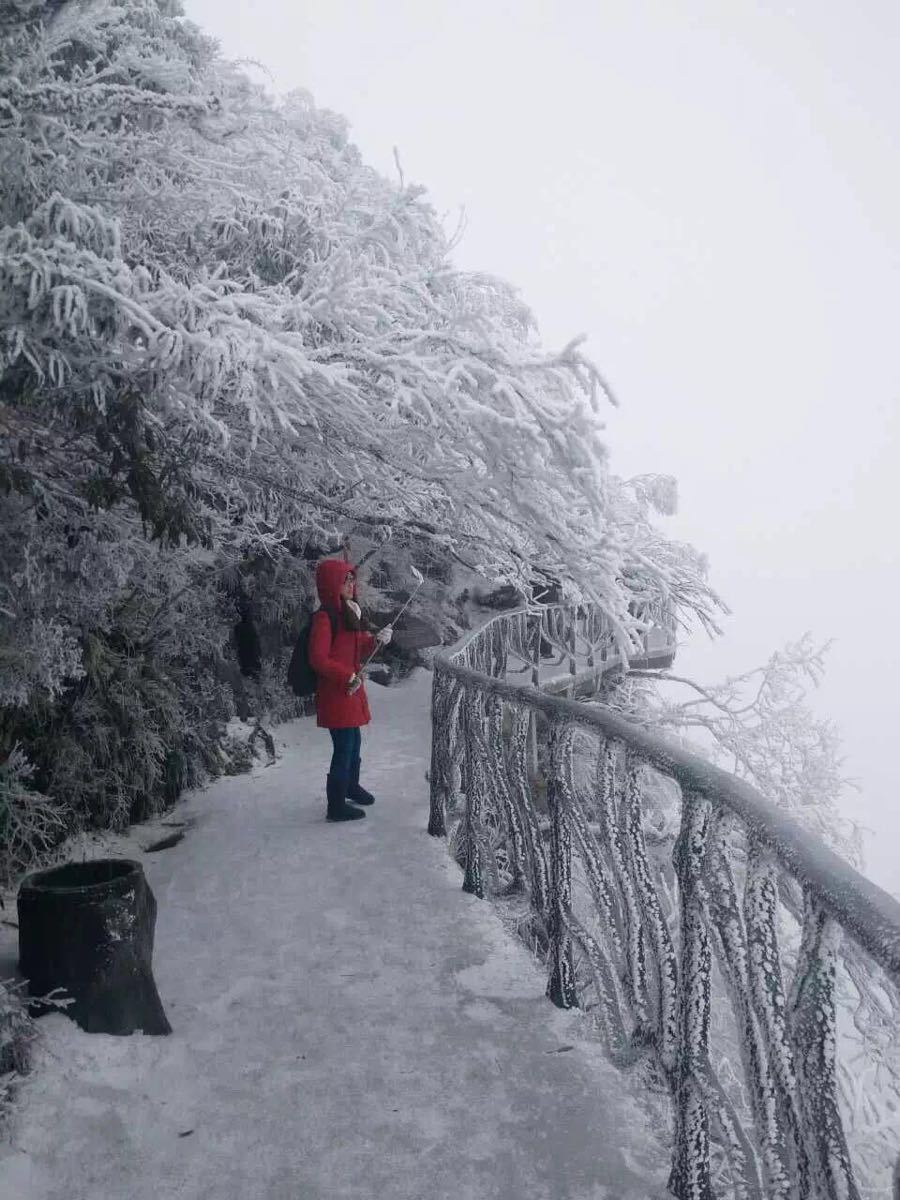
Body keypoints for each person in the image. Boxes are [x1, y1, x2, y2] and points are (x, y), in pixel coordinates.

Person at [308, 558, 392, 822]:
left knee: (353, 742)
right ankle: (335, 806)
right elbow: (318, 658)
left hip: (351, 690)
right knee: (344, 746)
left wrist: (377, 640)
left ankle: (350, 788)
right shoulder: (325, 617)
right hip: (337, 692)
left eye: (351, 579)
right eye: (345, 580)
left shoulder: (349, 612)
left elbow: (358, 647)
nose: (350, 584)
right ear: (332, 584)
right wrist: (347, 676)